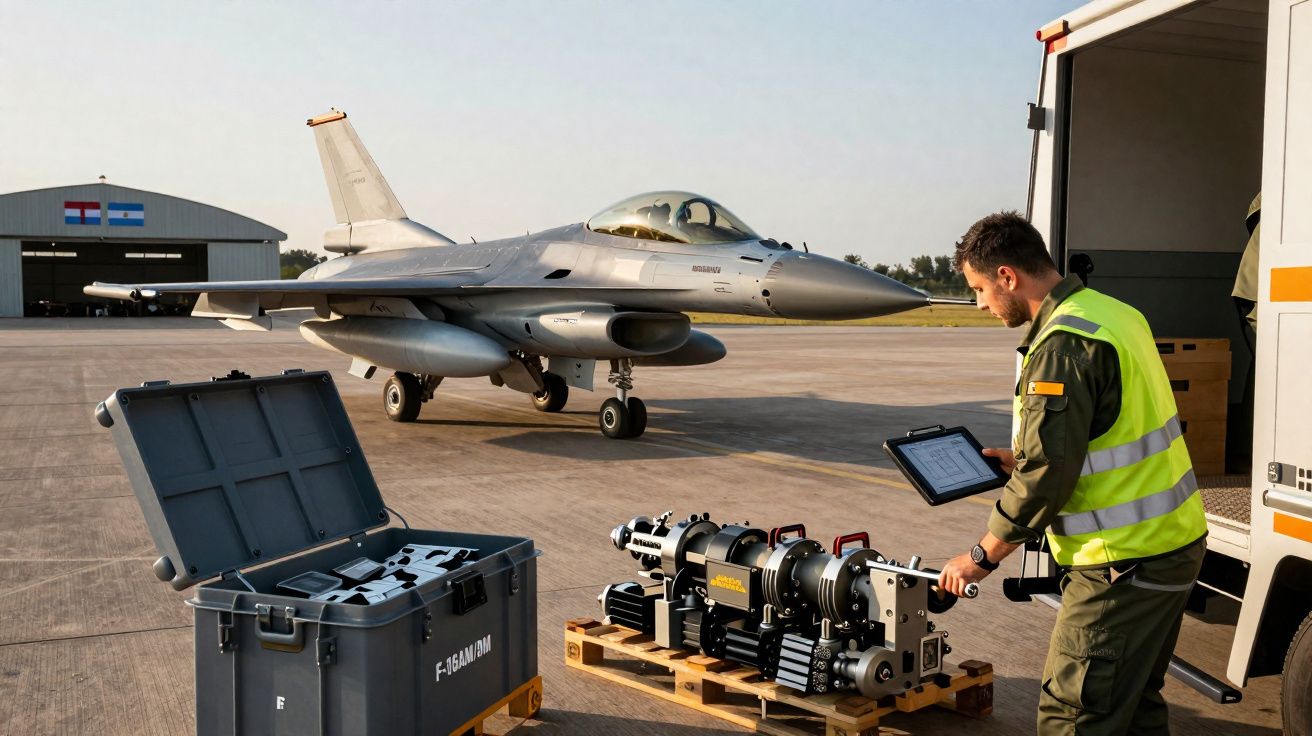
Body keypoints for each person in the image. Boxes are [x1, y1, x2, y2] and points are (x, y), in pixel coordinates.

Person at [937, 211, 1207, 735]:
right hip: (1171, 545)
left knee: (1073, 715)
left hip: (1121, 565)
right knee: (1133, 708)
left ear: (1008, 276)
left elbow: (1046, 478)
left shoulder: (1061, 345)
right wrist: (1028, 459)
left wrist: (979, 558)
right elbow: (1109, 428)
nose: (981, 304)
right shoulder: (1113, 313)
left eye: (979, 289)